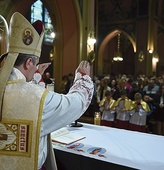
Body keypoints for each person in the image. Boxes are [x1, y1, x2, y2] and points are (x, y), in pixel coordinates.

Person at [0, 12, 94, 170]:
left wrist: (35, 76)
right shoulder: (36, 97)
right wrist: (82, 78)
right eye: (35, 63)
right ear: (29, 62)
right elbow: (75, 104)